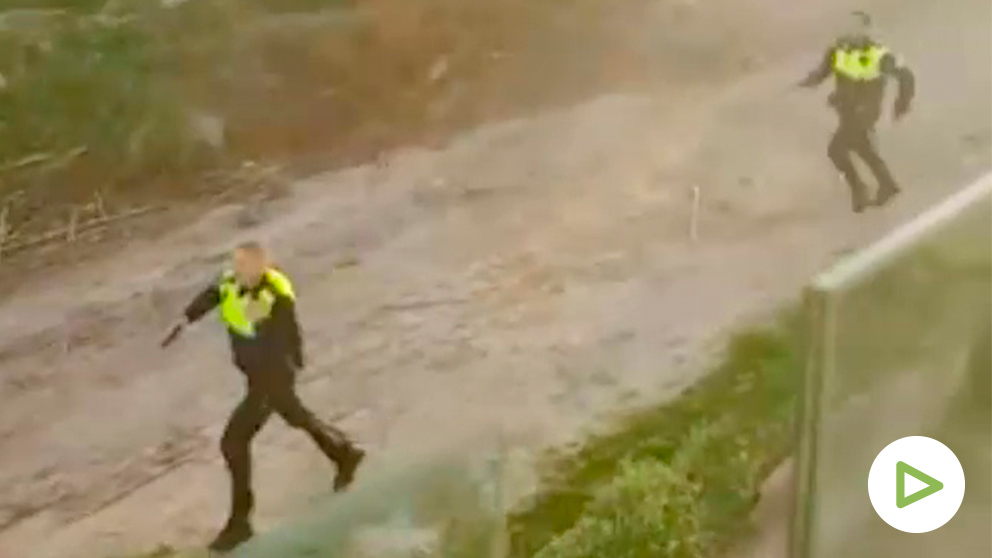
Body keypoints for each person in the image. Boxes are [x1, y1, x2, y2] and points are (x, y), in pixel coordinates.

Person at [161, 241, 365, 552]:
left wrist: (281, 375)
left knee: (233, 442)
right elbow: (213, 294)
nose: (236, 271)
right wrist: (186, 319)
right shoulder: (232, 281)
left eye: (244, 266)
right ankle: (345, 454)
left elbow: (286, 335)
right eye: (235, 264)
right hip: (259, 379)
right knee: (297, 417)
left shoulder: (273, 295)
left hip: (271, 379)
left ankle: (240, 523)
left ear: (261, 267)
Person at [798, 11, 916, 213]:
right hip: (846, 109)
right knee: (862, 147)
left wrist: (901, 104)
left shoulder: (878, 54)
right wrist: (809, 81)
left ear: (865, 29)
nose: (850, 31)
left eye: (855, 27)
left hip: (865, 111)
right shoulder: (837, 50)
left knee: (836, 149)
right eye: (847, 26)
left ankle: (859, 189)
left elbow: (906, 76)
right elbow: (822, 71)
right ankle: (887, 184)